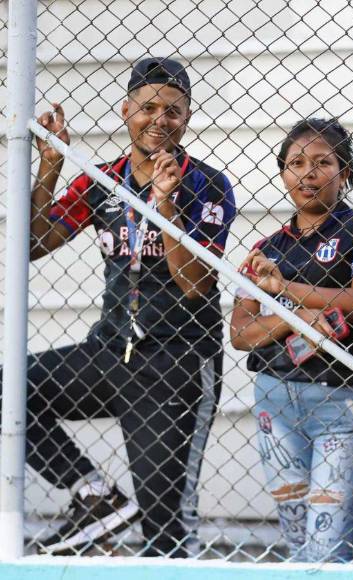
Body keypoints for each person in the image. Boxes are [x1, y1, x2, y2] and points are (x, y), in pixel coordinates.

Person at [13, 57, 236, 557]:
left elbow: (196, 283)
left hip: (176, 362)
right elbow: (32, 243)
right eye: (148, 108)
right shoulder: (101, 180)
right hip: (111, 350)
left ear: (187, 119)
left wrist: (165, 205)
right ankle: (93, 493)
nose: (160, 120)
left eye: (173, 111)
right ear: (125, 111)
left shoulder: (206, 184)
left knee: (164, 530)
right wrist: (51, 167)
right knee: (10, 389)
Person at [231, 118, 353, 562]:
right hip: (275, 400)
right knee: (299, 541)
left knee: (327, 546)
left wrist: (283, 290)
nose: (308, 174)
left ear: (346, 172)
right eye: (296, 163)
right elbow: (242, 334)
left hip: (345, 398)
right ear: (282, 172)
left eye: (323, 163)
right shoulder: (267, 246)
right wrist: (294, 318)